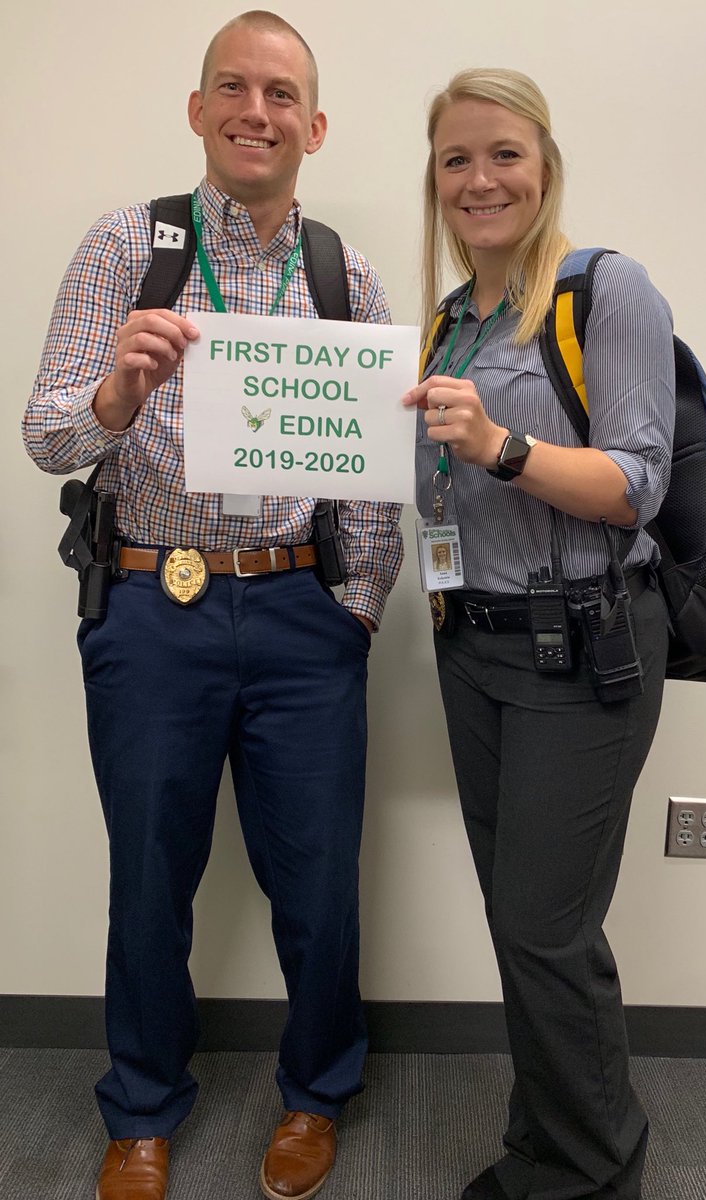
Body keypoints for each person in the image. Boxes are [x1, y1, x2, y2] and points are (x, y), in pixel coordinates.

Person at [23, 12, 402, 1200]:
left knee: (320, 877)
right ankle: (139, 1109)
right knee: (148, 875)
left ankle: (315, 1092)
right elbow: (45, 438)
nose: (256, 110)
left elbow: (373, 473)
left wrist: (354, 608)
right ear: (197, 111)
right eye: (231, 88)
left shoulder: (348, 272)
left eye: (281, 93)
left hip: (301, 621)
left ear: (315, 126)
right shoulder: (126, 245)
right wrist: (121, 388)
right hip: (152, 609)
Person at [403, 69, 674, 1200]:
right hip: (473, 644)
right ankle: (551, 1132)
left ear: (545, 165)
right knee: (525, 926)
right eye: (456, 160)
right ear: (435, 182)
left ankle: (589, 1170)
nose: (480, 179)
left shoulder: (603, 291)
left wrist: (499, 447)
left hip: (586, 646)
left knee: (542, 928)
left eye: (502, 153)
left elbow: (637, 485)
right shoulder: (449, 321)